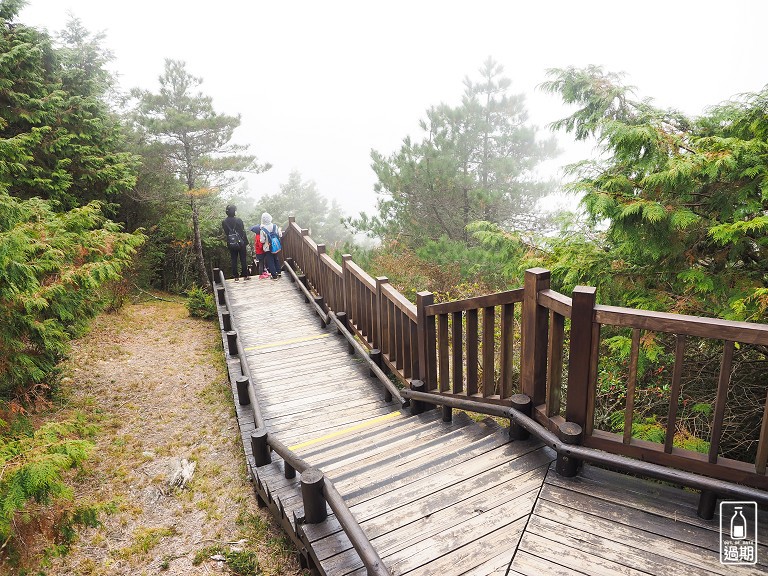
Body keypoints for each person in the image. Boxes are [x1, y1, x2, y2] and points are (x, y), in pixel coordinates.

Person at [222, 205, 250, 281]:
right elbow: (242, 231)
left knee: (234, 259)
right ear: (233, 211)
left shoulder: (224, 222)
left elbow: (226, 232)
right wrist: (245, 242)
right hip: (241, 242)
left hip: (231, 242)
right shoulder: (239, 220)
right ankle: (245, 275)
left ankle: (236, 276)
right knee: (243, 259)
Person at [259, 212, 282, 280]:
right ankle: (279, 272)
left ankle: (274, 275)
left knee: (270, 261)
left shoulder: (262, 229)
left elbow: (262, 241)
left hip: (268, 248)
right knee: (276, 259)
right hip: (275, 246)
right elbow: (279, 235)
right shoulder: (275, 226)